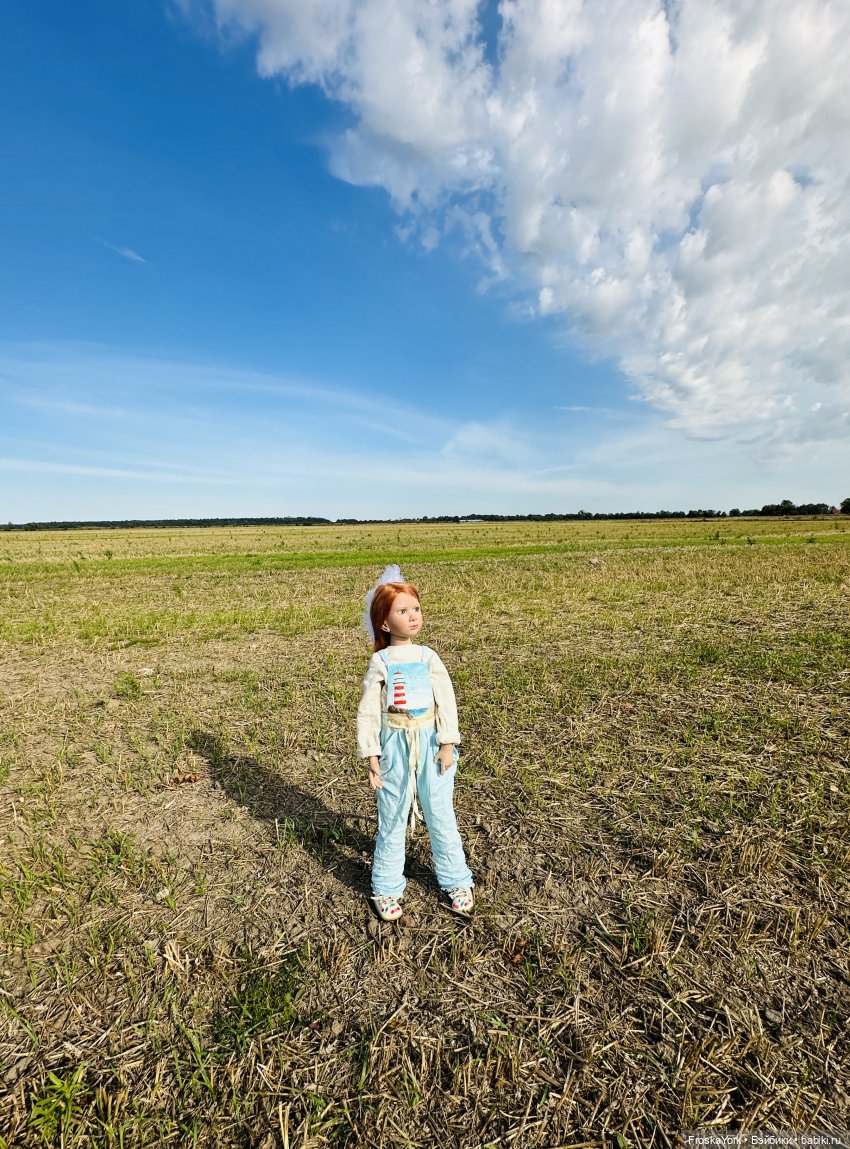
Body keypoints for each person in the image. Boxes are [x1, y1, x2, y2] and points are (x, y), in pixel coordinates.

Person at [357, 565, 474, 922]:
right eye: (403, 611)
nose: (413, 616)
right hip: (394, 744)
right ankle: (386, 886)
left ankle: (456, 880)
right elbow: (369, 711)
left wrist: (447, 742)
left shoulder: (428, 657)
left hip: (431, 742)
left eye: (416, 608)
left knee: (440, 811)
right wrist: (372, 754)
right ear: (384, 623)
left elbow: (445, 700)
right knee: (392, 815)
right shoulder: (380, 661)